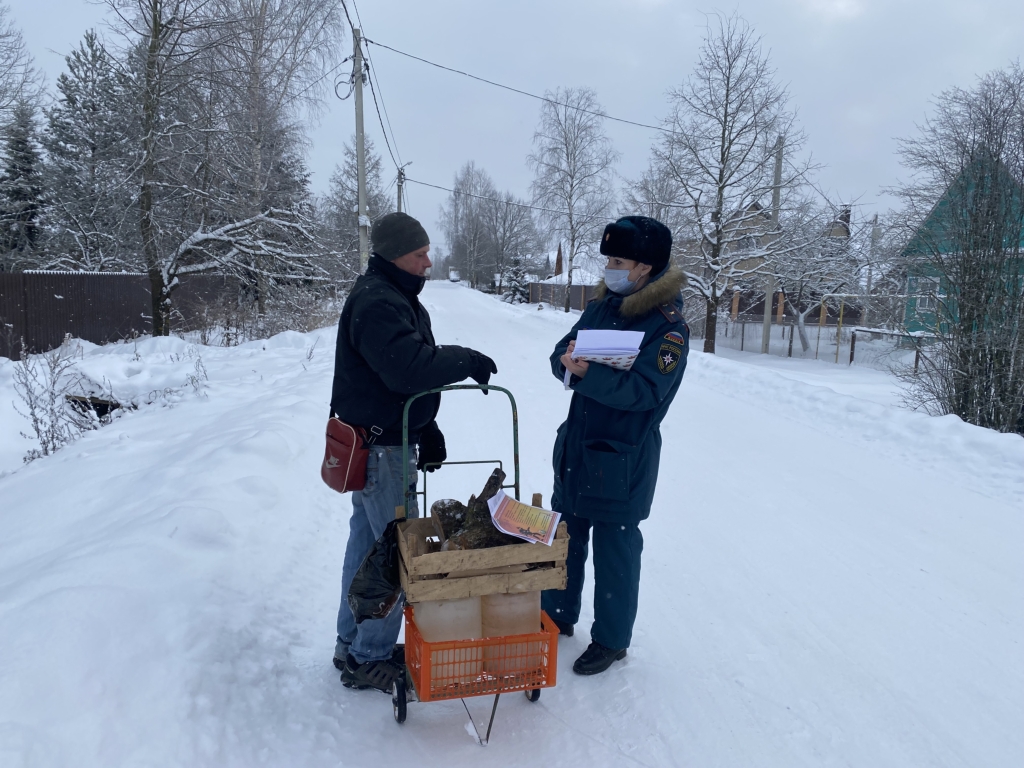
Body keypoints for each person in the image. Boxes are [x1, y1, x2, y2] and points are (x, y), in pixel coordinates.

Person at [330, 212, 497, 691]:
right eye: (420, 254)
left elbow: (394, 384)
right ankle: (370, 655)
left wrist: (426, 427)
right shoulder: (377, 301)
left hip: (388, 440)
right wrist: (465, 359)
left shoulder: (394, 295)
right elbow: (408, 369)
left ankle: (352, 644)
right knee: (397, 553)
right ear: (394, 255)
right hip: (383, 449)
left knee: (368, 549)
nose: (428, 262)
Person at [543, 215, 689, 675]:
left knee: (616, 549)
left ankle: (611, 640)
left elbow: (646, 392)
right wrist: (566, 362)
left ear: (645, 267)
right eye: (609, 259)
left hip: (622, 456)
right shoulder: (602, 306)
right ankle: (555, 614)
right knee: (565, 536)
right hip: (577, 446)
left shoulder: (667, 328)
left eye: (619, 261)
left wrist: (590, 375)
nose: (610, 268)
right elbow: (561, 351)